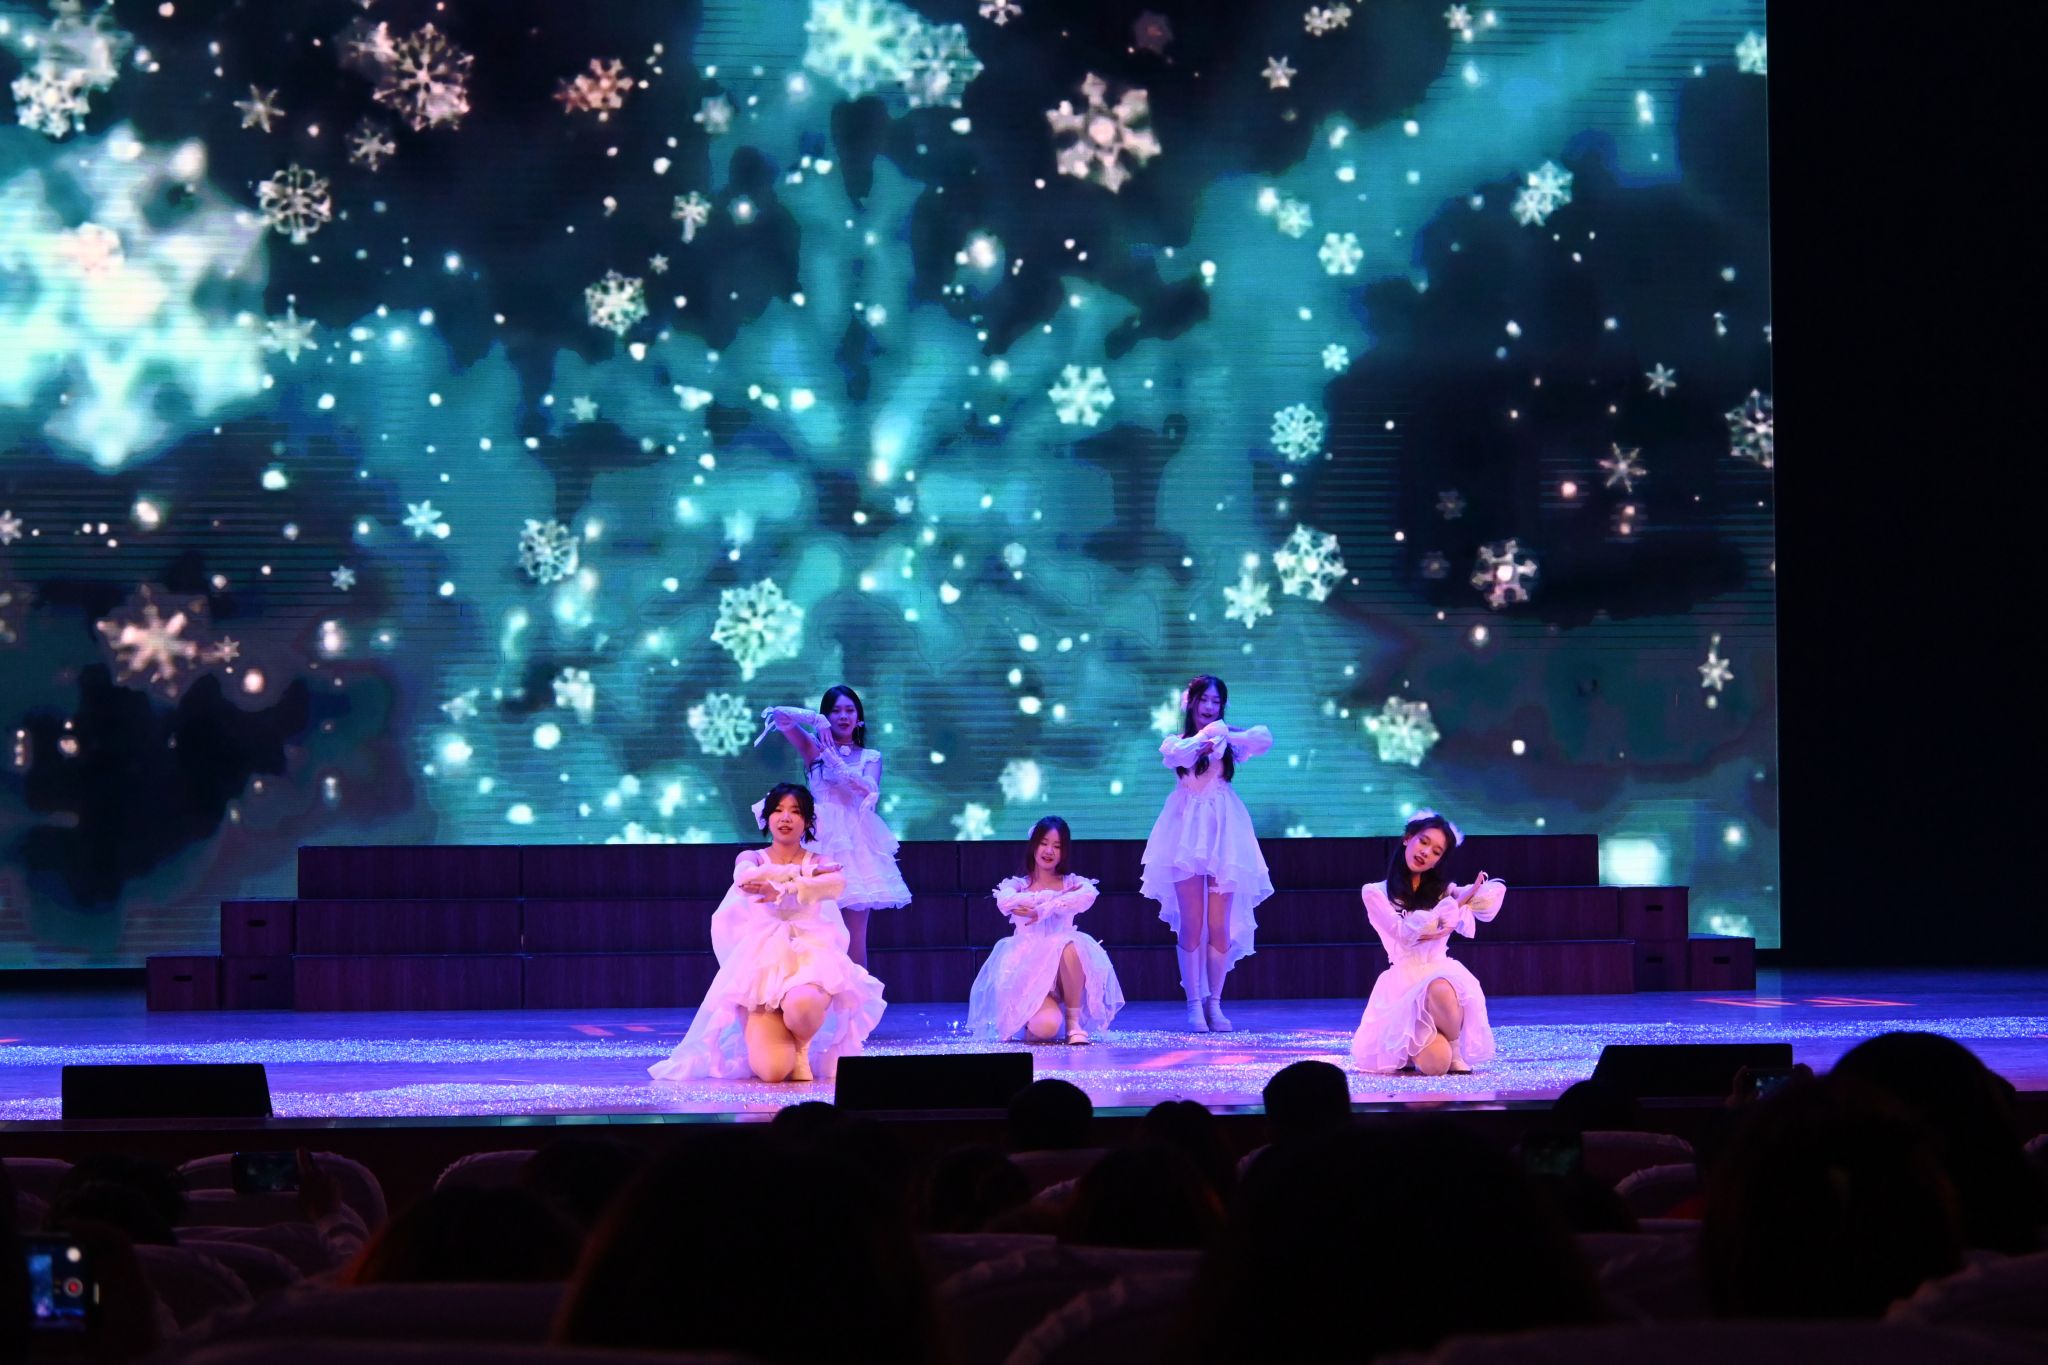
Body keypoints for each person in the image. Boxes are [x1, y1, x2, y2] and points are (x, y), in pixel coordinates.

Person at [648, 783, 885, 1084]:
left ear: (807, 821)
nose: (785, 818)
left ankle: (802, 1047)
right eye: (778, 810)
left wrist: (788, 886)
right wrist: (798, 879)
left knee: (803, 1006)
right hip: (762, 965)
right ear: (767, 817)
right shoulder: (754, 856)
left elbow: (835, 883)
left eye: (795, 812)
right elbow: (745, 879)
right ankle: (769, 1031)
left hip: (810, 957)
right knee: (773, 1071)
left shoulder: (818, 860)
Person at [1142, 674, 1273, 1032]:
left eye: (1216, 701)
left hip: (1224, 831)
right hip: (1185, 832)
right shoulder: (1177, 742)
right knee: (1192, 923)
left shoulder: (1228, 741)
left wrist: (1226, 733)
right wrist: (1206, 739)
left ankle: (1214, 1003)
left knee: (1219, 925)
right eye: (1204, 700)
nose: (1210, 707)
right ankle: (1193, 1004)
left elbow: (1264, 739)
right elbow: (1177, 755)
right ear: (1192, 703)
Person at [756, 686, 911, 967]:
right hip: (818, 843)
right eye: (835, 711)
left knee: (854, 937)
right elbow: (779, 715)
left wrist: (834, 759)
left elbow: (868, 790)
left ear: (859, 718)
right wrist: (816, 721)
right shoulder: (812, 748)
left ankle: (856, 996)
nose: (843, 716)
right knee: (813, 931)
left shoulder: (870, 757)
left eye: (849, 710)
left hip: (856, 848)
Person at [1350, 810, 1505, 1075]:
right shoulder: (1375, 892)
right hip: (1402, 984)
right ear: (1407, 839)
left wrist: (1472, 893)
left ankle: (1455, 1048)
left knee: (1440, 987)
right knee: (1436, 1066)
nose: (1425, 853)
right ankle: (1420, 1046)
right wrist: (1454, 905)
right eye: (1423, 842)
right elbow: (1403, 933)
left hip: (1440, 975)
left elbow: (1470, 899)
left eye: (1436, 852)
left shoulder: (1443, 891)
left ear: (1438, 861)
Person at [967, 815, 1125, 1044]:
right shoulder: (1018, 885)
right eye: (1044, 843)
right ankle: (1030, 1021)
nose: (1049, 851)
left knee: (1072, 943)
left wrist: (1044, 909)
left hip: (1061, 975)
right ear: (1034, 845)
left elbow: (1087, 895)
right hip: (1028, 972)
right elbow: (1006, 901)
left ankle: (1073, 1024)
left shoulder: (1072, 884)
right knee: (1047, 1028)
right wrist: (1044, 902)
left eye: (1057, 846)